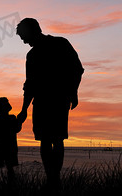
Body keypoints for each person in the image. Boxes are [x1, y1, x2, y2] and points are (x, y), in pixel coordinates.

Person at [16, 18, 84, 189]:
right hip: (47, 101)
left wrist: (73, 91)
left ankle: (54, 179)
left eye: (24, 37)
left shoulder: (60, 44)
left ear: (33, 31)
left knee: (53, 139)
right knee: (49, 140)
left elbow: (77, 69)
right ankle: (52, 179)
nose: (24, 41)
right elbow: (30, 84)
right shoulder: (33, 54)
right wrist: (24, 109)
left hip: (55, 100)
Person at [0, 97, 22, 183]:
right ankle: (7, 184)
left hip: (2, 148)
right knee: (6, 168)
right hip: (8, 148)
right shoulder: (11, 119)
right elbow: (17, 129)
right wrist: (20, 121)